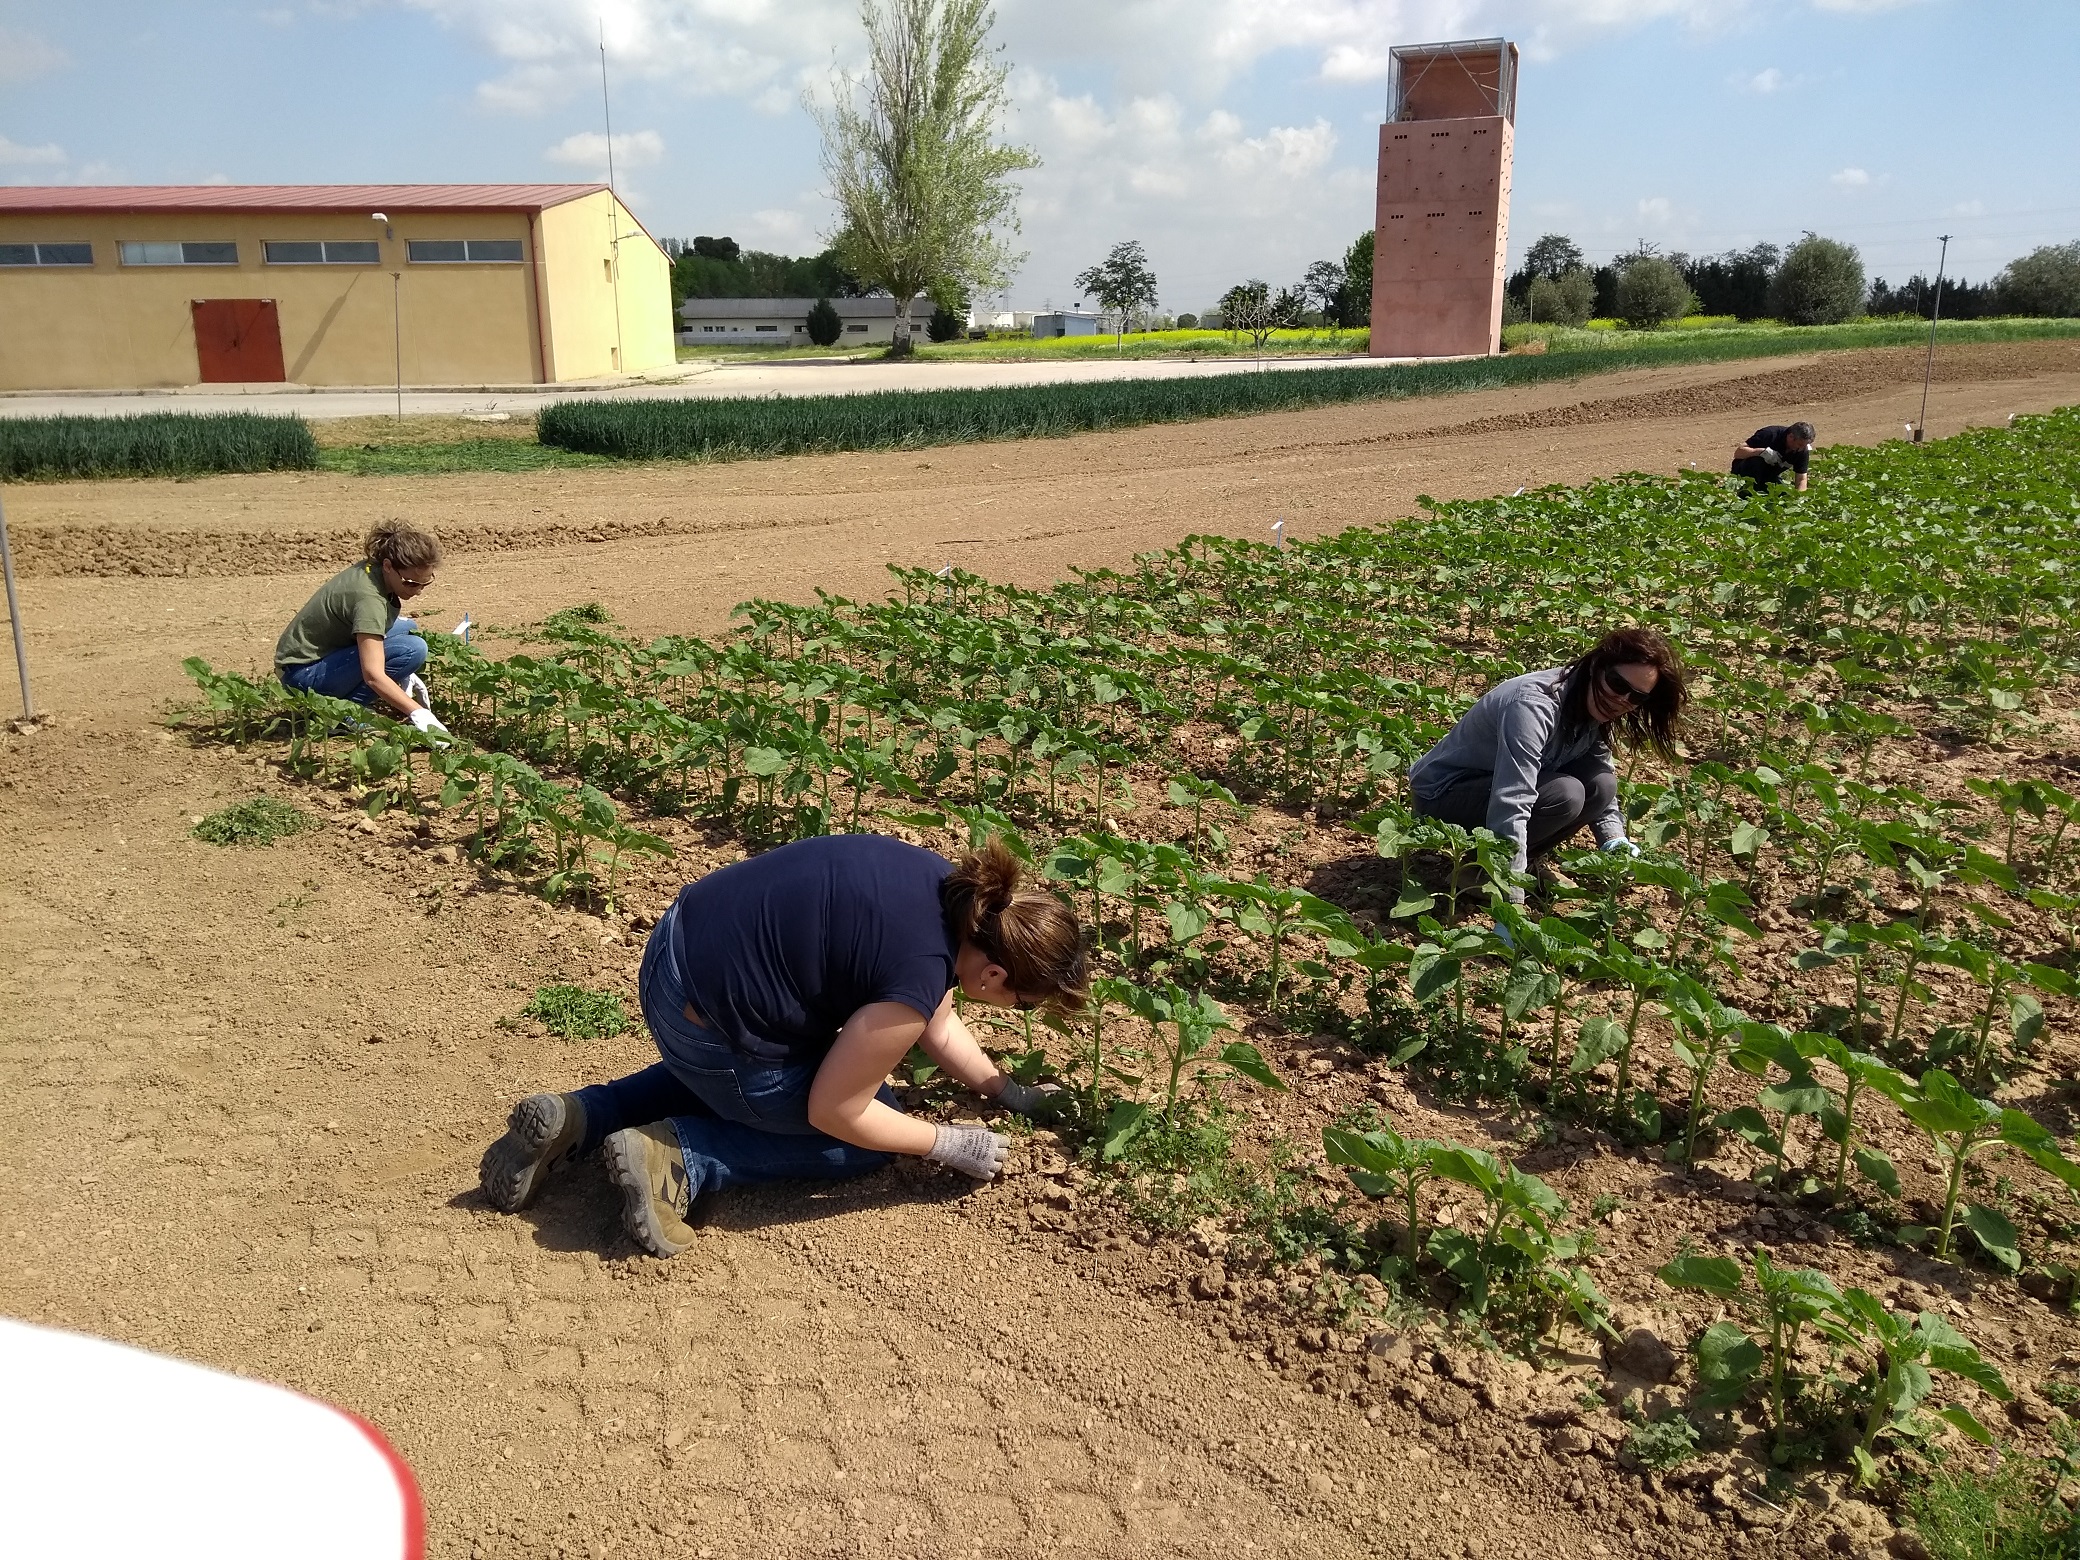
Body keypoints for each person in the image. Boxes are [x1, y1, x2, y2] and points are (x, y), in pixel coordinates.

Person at [479, 834, 1089, 1258]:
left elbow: (938, 1019)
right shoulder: (918, 976)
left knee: (773, 1067)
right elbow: (836, 1109)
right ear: (995, 975)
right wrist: (946, 1143)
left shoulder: (948, 891)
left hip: (671, 956)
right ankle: (681, 1156)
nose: (1016, 1012)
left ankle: (586, 1115)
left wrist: (1005, 1091)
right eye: (1023, 1003)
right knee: (874, 1133)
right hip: (705, 1025)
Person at [1407, 628, 1687, 890]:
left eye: (1636, 697)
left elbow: (1599, 772)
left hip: (1489, 791)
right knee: (1565, 794)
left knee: (1602, 785)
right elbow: (1513, 798)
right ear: (1596, 667)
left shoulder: (1594, 702)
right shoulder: (1533, 706)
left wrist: (1614, 838)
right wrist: (1511, 895)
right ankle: (1486, 873)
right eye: (1617, 684)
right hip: (1443, 795)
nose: (1622, 699)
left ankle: (1520, 862)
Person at [274, 521, 447, 736]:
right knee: (412, 649)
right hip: (303, 675)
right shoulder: (369, 600)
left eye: (425, 583)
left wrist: (401, 673)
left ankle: (341, 705)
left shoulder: (372, 569)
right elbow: (373, 675)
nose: (418, 591)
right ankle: (343, 713)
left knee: (407, 627)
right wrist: (418, 713)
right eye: (411, 583)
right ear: (388, 566)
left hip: (311, 659)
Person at [1730, 421, 1814, 493]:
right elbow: (1738, 453)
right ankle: (1745, 494)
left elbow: (1801, 478)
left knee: (1784, 495)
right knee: (1756, 462)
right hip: (1744, 475)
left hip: (1769, 478)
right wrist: (1761, 452)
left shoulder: (1802, 450)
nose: (1801, 448)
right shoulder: (1769, 434)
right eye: (1800, 444)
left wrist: (1799, 499)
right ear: (1791, 437)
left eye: (1805, 445)